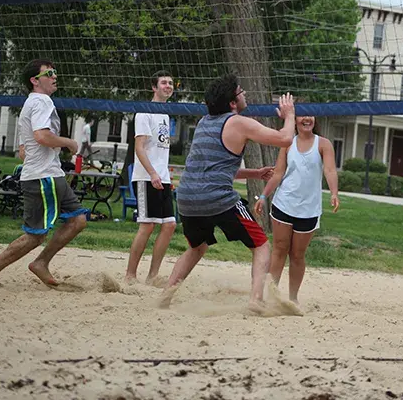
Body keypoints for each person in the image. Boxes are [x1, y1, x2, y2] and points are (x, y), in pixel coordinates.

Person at [159, 74, 291, 311]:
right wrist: (290, 115)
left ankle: (165, 296)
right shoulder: (238, 122)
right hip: (217, 199)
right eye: (241, 92)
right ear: (232, 102)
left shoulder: (203, 122)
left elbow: (214, 169)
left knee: (196, 247)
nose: (245, 94)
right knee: (261, 245)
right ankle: (255, 300)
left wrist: (254, 173)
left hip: (187, 198)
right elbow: (285, 139)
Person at [0, 60, 89, 289]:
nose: (55, 76)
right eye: (49, 73)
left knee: (78, 220)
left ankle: (41, 262)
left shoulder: (29, 105)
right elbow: (41, 137)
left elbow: (22, 152)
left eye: (55, 72)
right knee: (35, 235)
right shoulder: (41, 102)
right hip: (43, 177)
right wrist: (69, 143)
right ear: (34, 81)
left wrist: (44, 160)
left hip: (47, 174)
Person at [253, 114, 340, 305]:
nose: (307, 119)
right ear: (296, 120)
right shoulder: (288, 143)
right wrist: (263, 196)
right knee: (279, 250)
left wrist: (334, 193)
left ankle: (293, 298)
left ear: (315, 119)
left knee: (297, 255)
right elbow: (278, 173)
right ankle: (271, 296)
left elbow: (330, 170)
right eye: (302, 116)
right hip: (284, 203)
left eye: (310, 116)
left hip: (308, 209)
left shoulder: (323, 144)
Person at [125, 71, 176, 285]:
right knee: (147, 226)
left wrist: (164, 173)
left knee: (170, 225)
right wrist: (153, 173)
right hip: (146, 177)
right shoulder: (144, 112)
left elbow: (159, 149)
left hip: (161, 177)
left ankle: (152, 276)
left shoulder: (165, 114)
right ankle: (130, 275)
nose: (168, 86)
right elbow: (139, 148)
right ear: (154, 88)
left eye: (171, 83)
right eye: (163, 83)